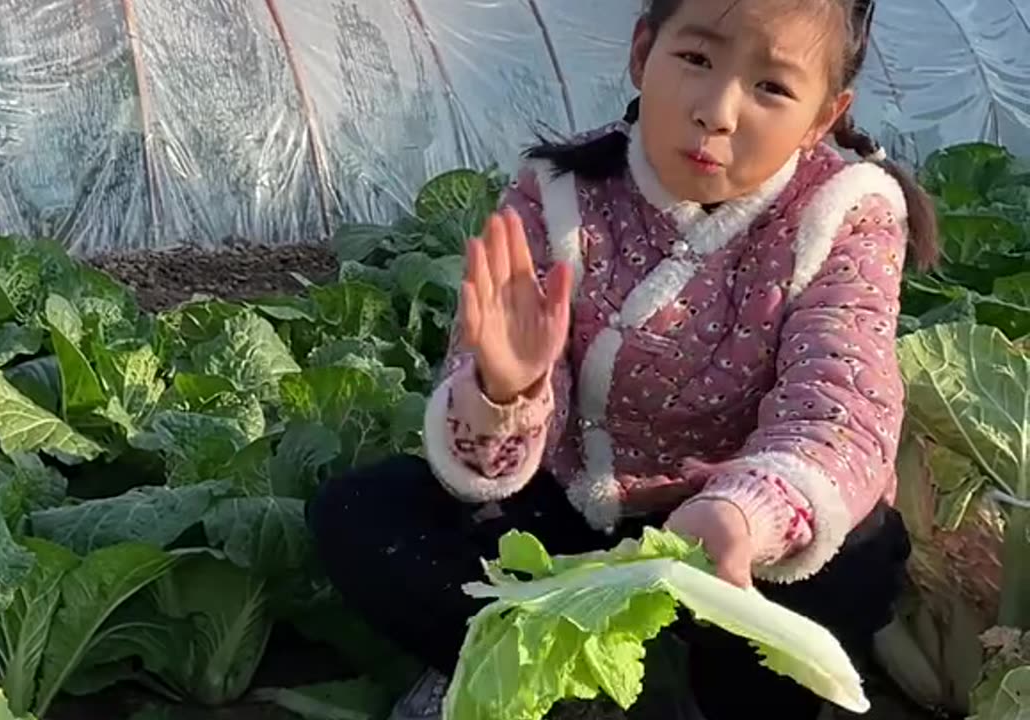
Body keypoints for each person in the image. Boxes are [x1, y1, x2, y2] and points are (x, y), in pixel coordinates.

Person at [306, 0, 939, 717]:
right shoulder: (559, 191)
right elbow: (494, 407)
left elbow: (839, 408)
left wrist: (740, 516)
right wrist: (503, 394)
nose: (718, 111)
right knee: (360, 514)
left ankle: (690, 688)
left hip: (733, 544)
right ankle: (572, 680)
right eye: (696, 59)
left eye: (772, 88)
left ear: (825, 115)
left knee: (851, 562)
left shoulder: (844, 212)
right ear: (643, 53)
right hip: (578, 516)